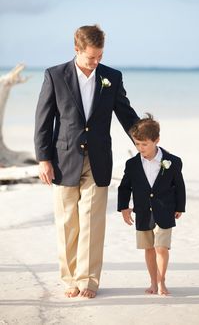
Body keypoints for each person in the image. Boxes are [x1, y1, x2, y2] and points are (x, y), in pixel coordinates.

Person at [34, 25, 139, 298]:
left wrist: (144, 140)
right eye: (91, 57)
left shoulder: (111, 78)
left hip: (99, 158)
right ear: (77, 50)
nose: (96, 62)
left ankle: (89, 281)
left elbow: (126, 114)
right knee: (68, 221)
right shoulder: (55, 75)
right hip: (63, 159)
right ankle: (70, 278)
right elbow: (43, 121)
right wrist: (43, 158)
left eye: (100, 56)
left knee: (92, 221)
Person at [118, 114, 186, 295]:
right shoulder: (132, 164)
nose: (140, 148)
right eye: (137, 144)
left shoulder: (173, 161)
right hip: (142, 212)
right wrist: (124, 208)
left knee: (161, 248)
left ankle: (162, 281)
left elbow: (179, 186)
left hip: (165, 210)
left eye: (144, 144)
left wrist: (180, 207)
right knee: (149, 248)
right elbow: (124, 187)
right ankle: (153, 283)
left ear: (156, 140)